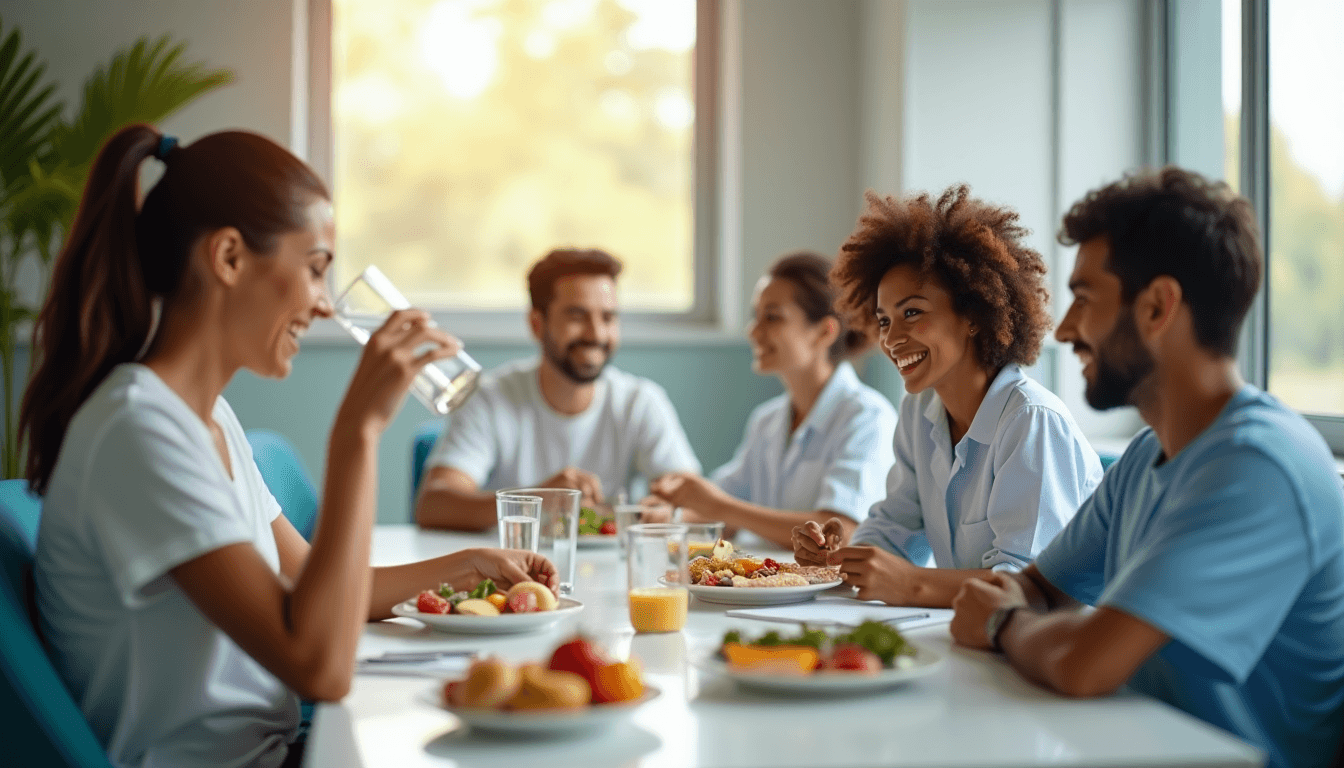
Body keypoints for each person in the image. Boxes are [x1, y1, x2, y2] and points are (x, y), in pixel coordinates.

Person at [21, 126, 557, 768]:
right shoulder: (139, 429)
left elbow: (314, 585)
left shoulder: (205, 416)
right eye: (314, 270)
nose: (324, 306)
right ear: (228, 258)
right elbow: (320, 668)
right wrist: (357, 433)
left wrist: (466, 565)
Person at [948, 167, 1344, 768]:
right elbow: (1038, 588)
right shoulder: (1148, 452)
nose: (1064, 328)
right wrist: (1019, 611)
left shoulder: (1256, 465)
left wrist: (1004, 627)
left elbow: (1085, 663)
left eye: (1084, 297)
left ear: (1158, 306)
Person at [792, 185, 1103, 608]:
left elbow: (1028, 589)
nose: (892, 338)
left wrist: (909, 585)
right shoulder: (919, 412)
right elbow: (895, 532)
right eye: (884, 321)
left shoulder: (1031, 422)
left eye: (913, 313)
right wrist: (841, 558)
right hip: (977, 642)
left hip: (1048, 655)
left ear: (973, 315)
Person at [415, 248, 702, 531]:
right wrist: (537, 500)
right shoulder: (490, 398)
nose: (597, 334)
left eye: (608, 318)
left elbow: (698, 505)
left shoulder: (640, 402)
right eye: (577, 317)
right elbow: (434, 505)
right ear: (537, 324)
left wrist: (670, 512)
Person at [648, 252, 896, 548]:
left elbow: (840, 533)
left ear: (824, 332)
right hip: (774, 585)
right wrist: (671, 513)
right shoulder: (767, 420)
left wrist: (721, 507)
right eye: (756, 316)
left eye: (772, 317)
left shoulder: (867, 417)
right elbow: (726, 501)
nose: (753, 331)